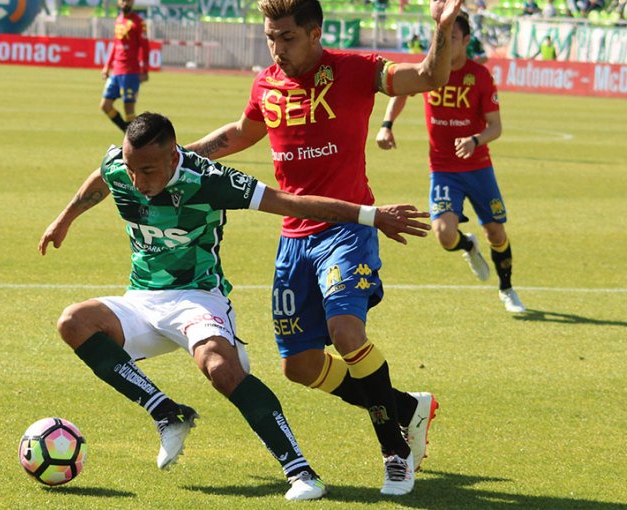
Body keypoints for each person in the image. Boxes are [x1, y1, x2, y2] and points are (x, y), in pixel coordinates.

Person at [39, 113, 432, 501]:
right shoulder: (120, 167)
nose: (138, 182)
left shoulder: (208, 180)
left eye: (148, 171)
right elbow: (103, 178)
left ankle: (300, 472)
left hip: (197, 297)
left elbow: (291, 203)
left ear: (173, 157)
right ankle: (167, 413)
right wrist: (64, 219)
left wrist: (371, 216)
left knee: (220, 368)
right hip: (141, 299)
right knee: (73, 322)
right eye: (131, 169)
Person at [184, 0, 464, 496]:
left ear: (315, 33)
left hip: (348, 228)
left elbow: (428, 77)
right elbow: (239, 133)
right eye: (271, 38)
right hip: (293, 238)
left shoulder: (355, 71)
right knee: (300, 366)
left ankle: (395, 453)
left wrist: (440, 30)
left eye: (287, 38)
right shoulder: (267, 84)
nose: (277, 48)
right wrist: (181, 156)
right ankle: (407, 408)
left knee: (346, 331)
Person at [376, 14, 527, 314]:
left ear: (467, 41)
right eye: (440, 38)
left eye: (452, 38)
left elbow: (495, 126)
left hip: (478, 167)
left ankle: (507, 288)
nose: (444, 44)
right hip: (443, 168)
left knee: (496, 232)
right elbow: (402, 92)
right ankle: (467, 246)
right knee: (445, 235)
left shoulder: (480, 76)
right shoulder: (431, 69)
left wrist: (475, 140)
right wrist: (386, 125)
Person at [100, 0, 150, 133]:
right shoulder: (118, 20)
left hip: (131, 71)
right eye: (123, 0)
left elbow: (145, 47)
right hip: (116, 71)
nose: (125, 3)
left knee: (129, 108)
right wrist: (107, 66)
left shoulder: (138, 22)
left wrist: (144, 70)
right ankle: (128, 134)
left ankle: (133, 140)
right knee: (105, 105)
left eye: (128, 0)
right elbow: (115, 45)